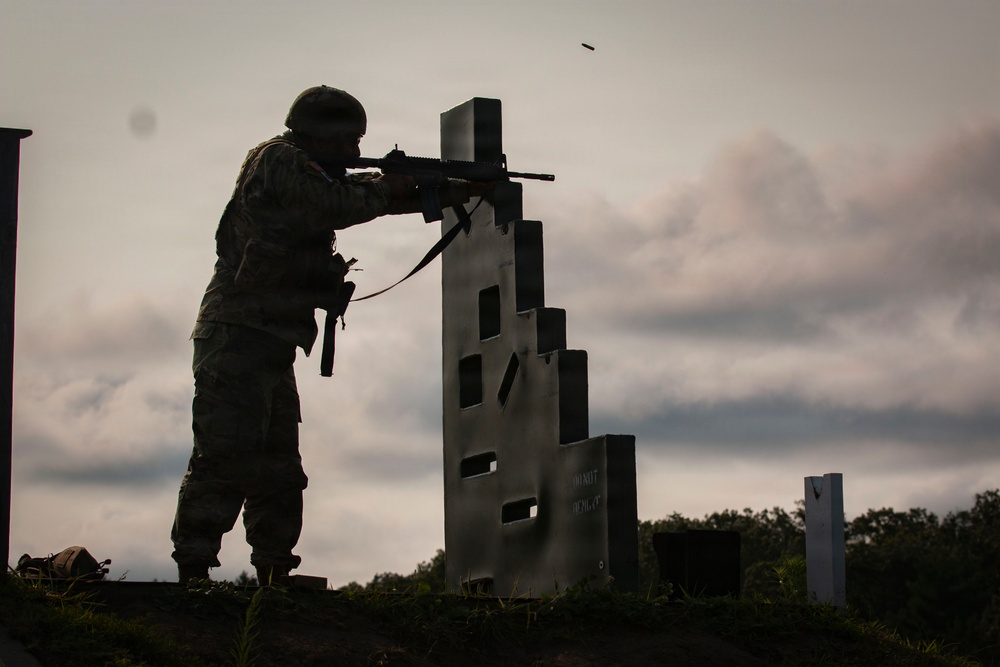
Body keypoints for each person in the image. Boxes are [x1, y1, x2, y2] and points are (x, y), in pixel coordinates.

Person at [170, 86, 483, 585]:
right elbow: (333, 204)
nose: (356, 152)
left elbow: (353, 194)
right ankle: (194, 569)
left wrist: (446, 191)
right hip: (237, 334)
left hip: (269, 338)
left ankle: (272, 571)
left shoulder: (307, 169)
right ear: (321, 135)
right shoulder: (279, 160)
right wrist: (392, 187)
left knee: (279, 468)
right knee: (227, 454)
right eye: (349, 141)